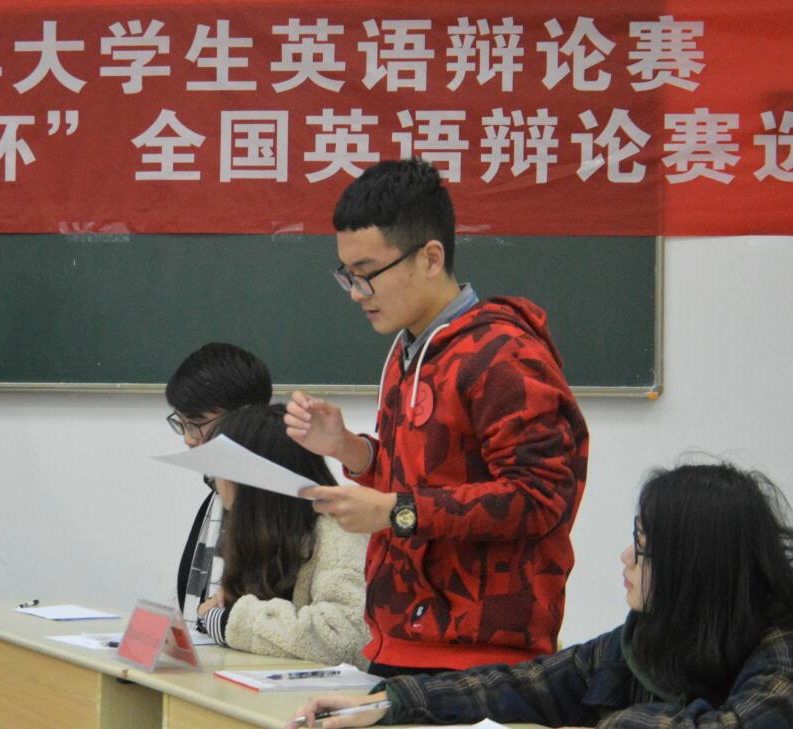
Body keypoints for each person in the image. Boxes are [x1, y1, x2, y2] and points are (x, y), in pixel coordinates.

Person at [285, 158, 589, 676]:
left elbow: (540, 497)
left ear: (430, 258)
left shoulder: (502, 353)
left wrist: (395, 512)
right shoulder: (409, 351)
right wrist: (351, 450)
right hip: (400, 641)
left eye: (367, 274)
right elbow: (426, 479)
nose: (356, 293)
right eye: (347, 276)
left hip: (480, 659)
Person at [293, 461, 793, 728]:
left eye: (642, 547)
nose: (625, 557)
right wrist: (391, 702)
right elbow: (531, 684)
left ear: (694, 568)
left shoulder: (780, 651)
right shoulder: (646, 636)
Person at [196, 404, 369, 667]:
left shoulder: (339, 535)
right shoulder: (267, 533)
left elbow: (346, 638)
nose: (217, 483)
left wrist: (232, 619)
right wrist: (226, 607)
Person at [165, 342, 273, 624]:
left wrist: (219, 623)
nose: (188, 439)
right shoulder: (216, 495)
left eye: (195, 424)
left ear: (244, 418)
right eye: (182, 424)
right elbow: (193, 599)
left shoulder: (284, 505)